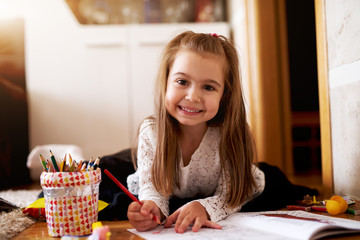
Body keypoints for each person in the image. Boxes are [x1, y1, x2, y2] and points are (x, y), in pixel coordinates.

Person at [125, 31, 265, 233]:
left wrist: (204, 208)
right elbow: (152, 189)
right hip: (151, 160)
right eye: (182, 82)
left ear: (224, 95)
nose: (192, 97)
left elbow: (231, 195)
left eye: (208, 87)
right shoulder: (152, 132)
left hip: (238, 180)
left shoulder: (231, 135)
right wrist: (151, 210)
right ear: (165, 82)